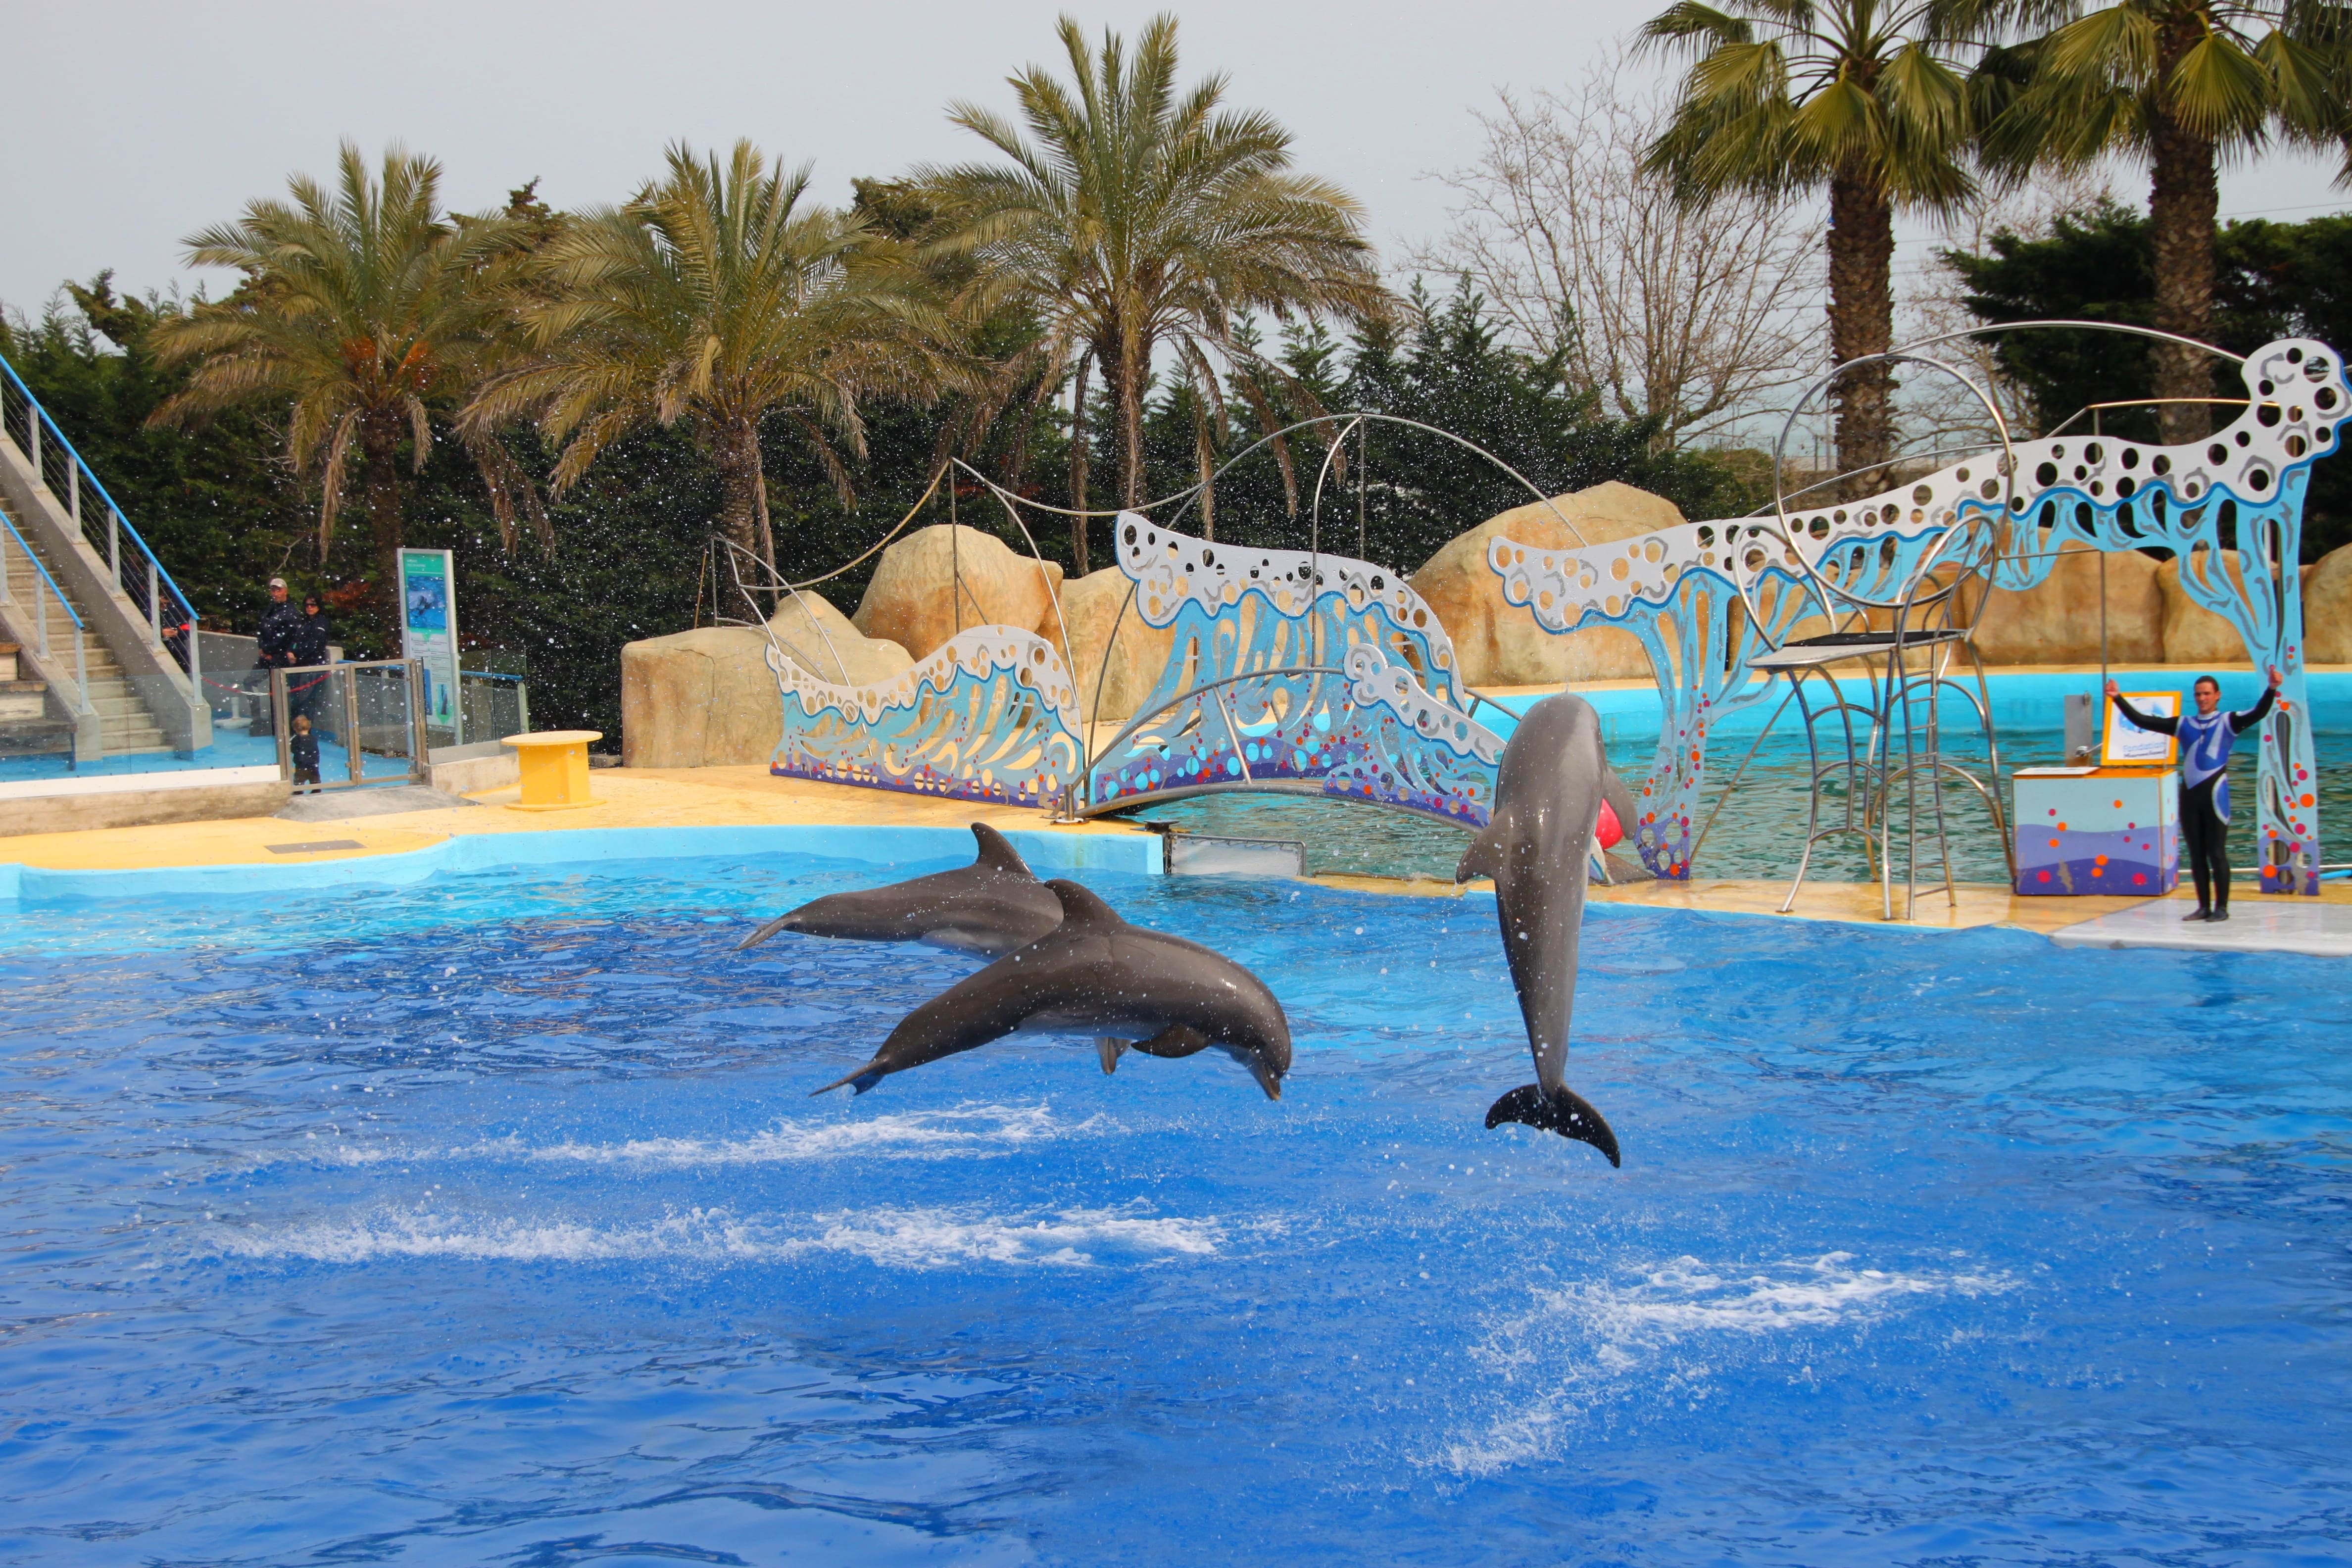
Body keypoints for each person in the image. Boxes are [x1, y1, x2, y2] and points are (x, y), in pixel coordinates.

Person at [2107, 669, 2283, 923]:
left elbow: (2259, 713)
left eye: (2207, 694)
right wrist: (2117, 698)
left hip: (2215, 796)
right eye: (2198, 694)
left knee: (2217, 852)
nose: (2202, 698)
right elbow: (2144, 721)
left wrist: (2271, 689)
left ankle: (2221, 908)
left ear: (2217, 696)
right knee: (2196, 853)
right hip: (2190, 796)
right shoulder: (2183, 724)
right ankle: (2203, 907)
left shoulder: (2229, 722)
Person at [253, 577, 301, 737]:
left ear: (285, 591)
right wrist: (262, 647)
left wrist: (270, 650)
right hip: (266, 656)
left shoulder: (291, 612)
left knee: (277, 693)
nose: (275, 593)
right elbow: (261, 628)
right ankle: (259, 721)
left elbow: (287, 637)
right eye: (273, 590)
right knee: (250, 682)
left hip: (279, 658)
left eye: (278, 590)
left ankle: (281, 727)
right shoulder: (270, 609)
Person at [288, 594, 333, 729]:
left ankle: (305, 731)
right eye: (307, 605)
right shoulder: (304, 622)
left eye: (312, 605)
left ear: (319, 606)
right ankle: (295, 729)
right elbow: (295, 640)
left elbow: (315, 646)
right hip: (298, 667)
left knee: (307, 700)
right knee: (295, 700)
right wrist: (291, 651)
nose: (309, 608)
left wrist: (298, 655)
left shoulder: (322, 623)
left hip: (313, 666)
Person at [288, 712, 322, 789]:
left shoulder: (297, 740)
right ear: (309, 727)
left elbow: (293, 750)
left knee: (299, 782)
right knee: (315, 781)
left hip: (301, 766)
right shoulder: (313, 738)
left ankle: (299, 790)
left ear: (295, 729)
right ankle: (316, 789)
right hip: (314, 765)